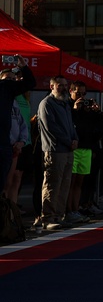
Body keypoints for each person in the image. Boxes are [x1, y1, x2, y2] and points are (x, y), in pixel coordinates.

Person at [37, 76, 79, 230]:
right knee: (52, 184)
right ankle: (48, 218)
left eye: (65, 85)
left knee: (64, 184)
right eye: (59, 85)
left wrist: (75, 139)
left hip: (68, 150)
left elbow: (71, 126)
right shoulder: (47, 103)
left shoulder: (65, 104)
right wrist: (69, 141)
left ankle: (59, 216)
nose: (63, 88)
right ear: (51, 86)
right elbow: (51, 128)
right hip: (55, 150)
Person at [68, 83, 103, 222]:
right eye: (78, 94)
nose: (81, 97)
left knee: (79, 182)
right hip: (73, 148)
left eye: (84, 94)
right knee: (70, 182)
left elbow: (99, 129)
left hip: (86, 148)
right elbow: (69, 124)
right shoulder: (68, 106)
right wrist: (75, 109)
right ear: (71, 91)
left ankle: (75, 209)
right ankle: (68, 210)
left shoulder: (87, 110)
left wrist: (97, 113)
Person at [0, 58, 35, 192]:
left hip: (7, 145)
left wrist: (23, 67)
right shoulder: (4, 87)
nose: (10, 82)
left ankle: (7, 211)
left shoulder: (10, 94)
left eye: (12, 79)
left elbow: (30, 83)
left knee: (6, 183)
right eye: (6, 78)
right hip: (5, 144)